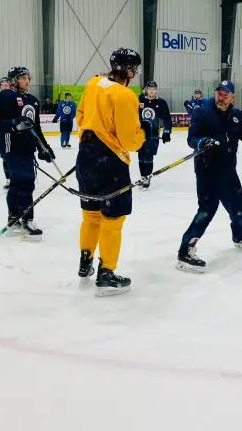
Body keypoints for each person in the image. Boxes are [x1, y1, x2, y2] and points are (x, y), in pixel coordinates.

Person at [75, 49, 146, 296]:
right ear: (130, 70)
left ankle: (85, 262)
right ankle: (106, 273)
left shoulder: (93, 83)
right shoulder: (125, 95)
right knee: (113, 220)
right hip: (111, 163)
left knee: (91, 216)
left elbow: (81, 117)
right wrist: (144, 132)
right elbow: (129, 141)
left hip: (85, 157)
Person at [177, 80, 242, 272]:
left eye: (225, 94)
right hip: (207, 170)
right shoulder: (202, 112)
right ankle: (185, 250)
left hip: (228, 170)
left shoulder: (237, 115)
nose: (221, 97)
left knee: (238, 205)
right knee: (207, 209)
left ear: (233, 96)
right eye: (219, 93)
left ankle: (239, 237)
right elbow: (192, 138)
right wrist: (202, 142)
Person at [0, 67, 56, 238]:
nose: (27, 81)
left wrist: (44, 147)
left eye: (28, 78)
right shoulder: (4, 97)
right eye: (23, 78)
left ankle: (14, 217)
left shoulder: (33, 100)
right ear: (14, 80)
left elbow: (36, 127)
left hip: (27, 147)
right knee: (26, 181)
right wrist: (14, 123)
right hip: (12, 146)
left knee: (18, 183)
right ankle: (26, 219)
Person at [138, 81, 172, 188]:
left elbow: (167, 119)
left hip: (153, 134)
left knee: (148, 155)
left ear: (156, 90)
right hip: (140, 134)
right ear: (146, 90)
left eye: (153, 89)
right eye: (150, 89)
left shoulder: (161, 102)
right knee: (141, 155)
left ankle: (147, 178)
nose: (151, 91)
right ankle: (143, 176)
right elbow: (134, 115)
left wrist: (166, 132)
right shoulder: (140, 100)